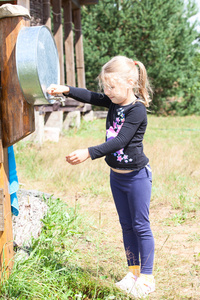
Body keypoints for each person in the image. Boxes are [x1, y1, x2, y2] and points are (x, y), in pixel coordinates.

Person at [47, 55, 155, 299]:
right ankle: (133, 272)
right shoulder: (114, 102)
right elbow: (91, 97)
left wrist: (88, 152)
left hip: (137, 178)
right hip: (116, 177)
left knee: (140, 226)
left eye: (112, 87)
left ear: (130, 82)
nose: (107, 92)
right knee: (126, 225)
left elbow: (121, 140)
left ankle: (147, 278)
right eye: (105, 87)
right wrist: (67, 89)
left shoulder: (136, 110)